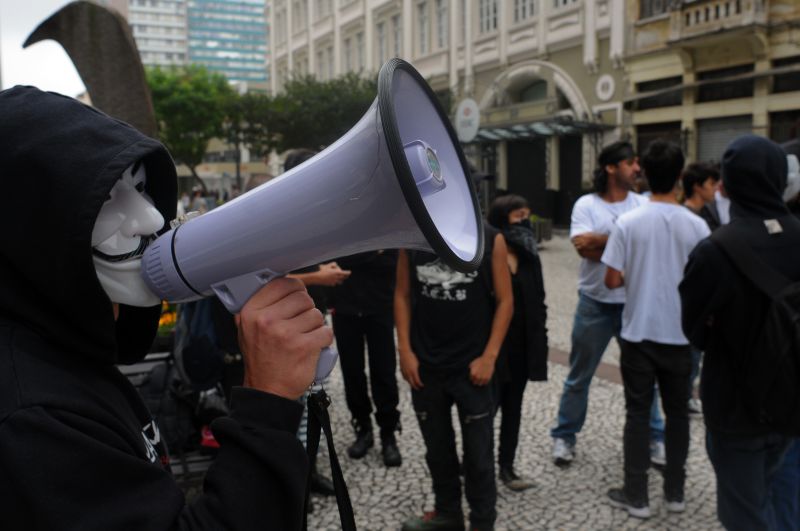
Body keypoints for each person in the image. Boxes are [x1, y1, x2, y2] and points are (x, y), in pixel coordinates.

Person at [0, 86, 330, 529]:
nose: (152, 219)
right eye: (105, 197)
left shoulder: (61, 356)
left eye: (140, 188)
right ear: (28, 225)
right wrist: (268, 406)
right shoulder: (31, 421)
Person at [680, 135, 800, 530]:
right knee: (780, 492)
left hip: (735, 404)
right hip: (790, 397)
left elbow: (694, 332)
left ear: (726, 185)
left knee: (742, 512)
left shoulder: (714, 250)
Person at [602, 140, 710, 518]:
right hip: (681, 337)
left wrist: (640, 275)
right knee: (678, 414)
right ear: (681, 177)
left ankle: (637, 496)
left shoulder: (627, 222)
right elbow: (705, 284)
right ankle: (675, 492)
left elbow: (612, 280)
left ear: (644, 174)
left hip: (638, 335)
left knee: (637, 413)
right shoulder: (698, 226)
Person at [551, 141, 666, 467]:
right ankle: (564, 435)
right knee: (579, 376)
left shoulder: (643, 203)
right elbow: (582, 248)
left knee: (645, 378)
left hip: (633, 304)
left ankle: (656, 438)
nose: (637, 169)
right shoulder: (586, 204)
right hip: (595, 303)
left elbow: (644, 247)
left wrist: (604, 239)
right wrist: (627, 239)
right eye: (631, 163)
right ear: (611, 167)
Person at [396, 223, 513, 531]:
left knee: (479, 458)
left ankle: (482, 522)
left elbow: (505, 301)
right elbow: (402, 294)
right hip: (426, 367)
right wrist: (405, 350)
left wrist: (489, 356)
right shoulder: (413, 239)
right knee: (437, 450)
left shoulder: (490, 239)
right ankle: (448, 513)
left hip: (473, 369)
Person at [487, 194, 548, 491]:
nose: (524, 222)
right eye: (517, 216)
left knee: (514, 408)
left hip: (523, 346)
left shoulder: (529, 254)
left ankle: (507, 467)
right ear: (501, 220)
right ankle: (477, 462)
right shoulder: (487, 254)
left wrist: (541, 341)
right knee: (487, 407)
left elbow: (540, 300)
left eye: (527, 215)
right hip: (494, 347)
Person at [330, 250, 402, 467]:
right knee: (352, 373)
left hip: (380, 306)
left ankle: (388, 433)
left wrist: (356, 258)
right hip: (345, 308)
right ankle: (363, 428)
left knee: (385, 371)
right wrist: (372, 255)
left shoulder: (383, 227)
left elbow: (391, 262)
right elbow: (335, 262)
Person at [680, 161, 721, 415]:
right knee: (690, 351)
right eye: (711, 184)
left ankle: (687, 393)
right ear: (697, 186)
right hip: (692, 293)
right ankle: (683, 395)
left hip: (709, 294)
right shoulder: (687, 217)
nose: (715, 189)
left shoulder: (710, 213)